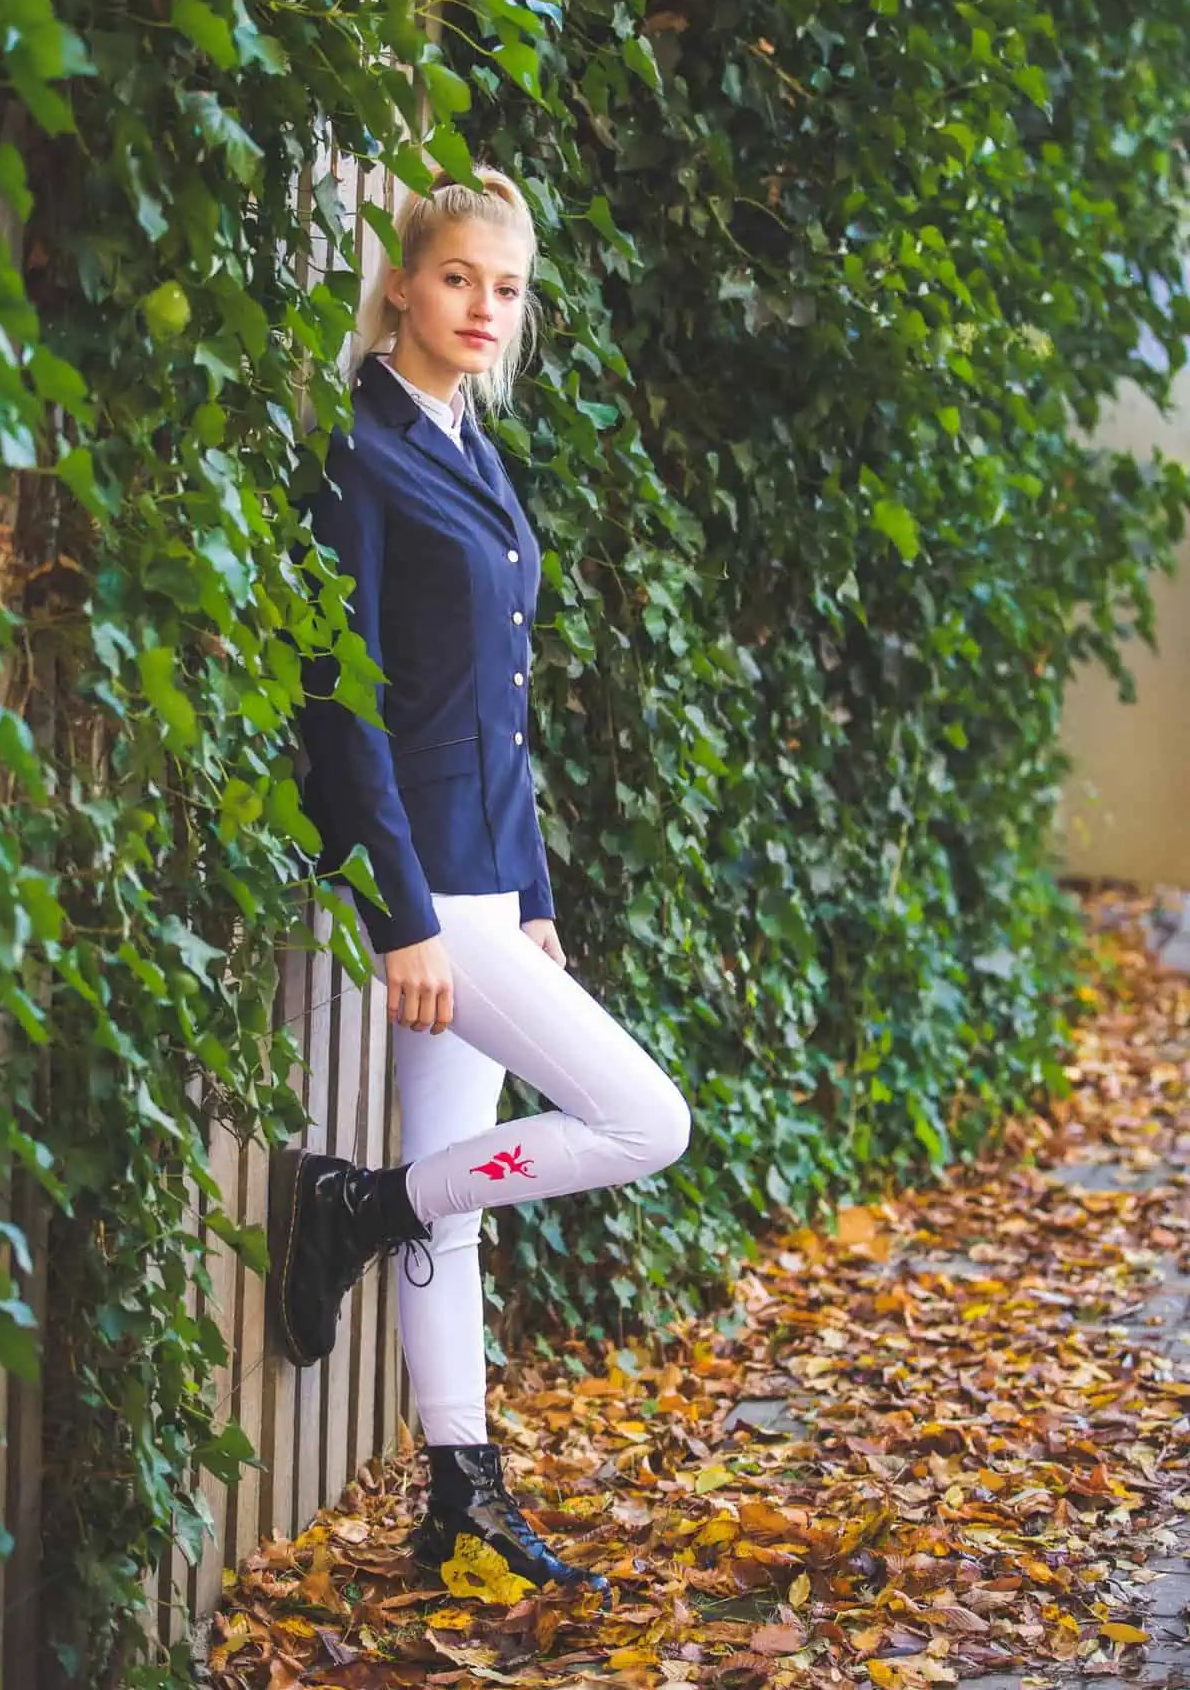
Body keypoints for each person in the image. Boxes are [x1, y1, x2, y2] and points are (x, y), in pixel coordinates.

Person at [270, 163, 692, 1599]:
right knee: (645, 1119)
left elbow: (499, 707)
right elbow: (345, 701)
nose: (483, 307)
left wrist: (537, 894)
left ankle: (459, 1491)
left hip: (489, 880)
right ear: (403, 284)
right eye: (459, 278)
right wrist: (403, 919)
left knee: (450, 1201)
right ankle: (360, 1208)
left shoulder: (472, 449)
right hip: (427, 888)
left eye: (506, 290)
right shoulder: (360, 454)